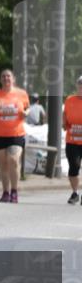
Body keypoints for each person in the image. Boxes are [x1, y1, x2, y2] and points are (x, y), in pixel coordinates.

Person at [0, 69, 30, 203]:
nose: (6, 79)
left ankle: (14, 191)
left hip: (16, 134)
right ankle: (5, 192)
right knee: (3, 164)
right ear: (0, 80)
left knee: (13, 160)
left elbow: (27, 108)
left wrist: (26, 113)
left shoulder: (21, 94)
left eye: (8, 76)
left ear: (13, 79)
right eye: (3, 76)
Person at [63, 76, 82, 205]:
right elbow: (65, 118)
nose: (81, 86)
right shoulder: (70, 100)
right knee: (74, 167)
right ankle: (75, 193)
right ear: (77, 86)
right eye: (80, 84)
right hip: (72, 141)